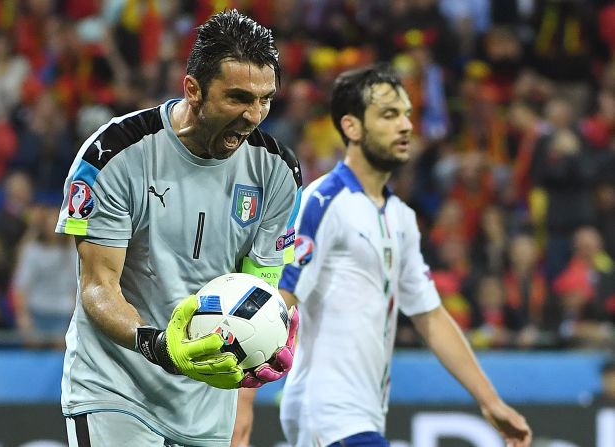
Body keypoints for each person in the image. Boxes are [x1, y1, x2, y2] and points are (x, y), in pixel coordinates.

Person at [55, 10, 301, 447]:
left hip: (208, 404)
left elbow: (259, 287)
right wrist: (158, 346)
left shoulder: (278, 173)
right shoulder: (114, 154)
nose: (254, 115)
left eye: (265, 99)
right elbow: (98, 286)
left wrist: (271, 332)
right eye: (238, 98)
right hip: (117, 388)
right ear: (193, 89)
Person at [276, 65, 532, 447]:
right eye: (389, 114)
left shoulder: (401, 217)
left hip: (364, 414)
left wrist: (491, 401)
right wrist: (242, 400)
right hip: (326, 412)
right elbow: (280, 301)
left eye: (407, 114)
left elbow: (429, 315)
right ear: (352, 127)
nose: (406, 125)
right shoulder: (324, 201)